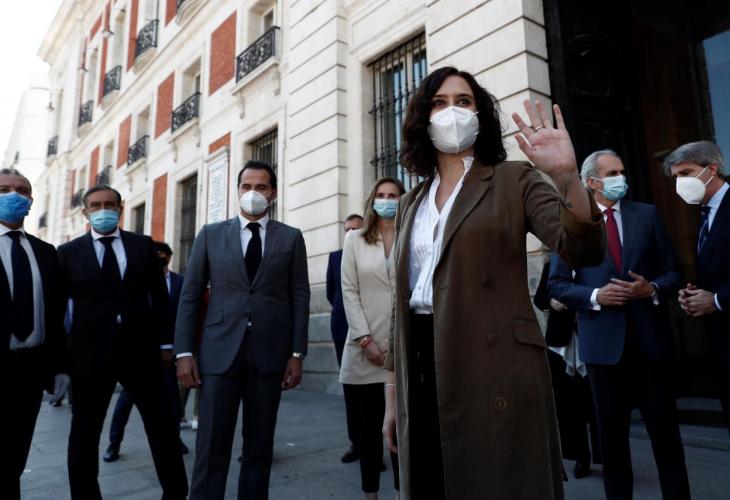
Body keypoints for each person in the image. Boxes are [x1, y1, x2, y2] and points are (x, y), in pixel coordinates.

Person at [382, 66, 605, 499]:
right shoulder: (411, 201)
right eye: (439, 103)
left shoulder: (513, 178)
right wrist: (392, 396)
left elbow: (581, 249)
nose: (452, 112)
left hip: (492, 364)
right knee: (432, 482)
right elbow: (400, 304)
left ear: (479, 115)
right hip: (420, 362)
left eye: (463, 101)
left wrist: (566, 178)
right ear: (423, 119)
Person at [549, 150, 690, 500]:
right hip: (603, 349)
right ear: (592, 182)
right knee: (612, 443)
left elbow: (673, 272)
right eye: (612, 173)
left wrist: (651, 288)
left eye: (622, 171)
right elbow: (557, 285)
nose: (621, 178)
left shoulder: (647, 215)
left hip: (650, 345)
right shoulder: (572, 223)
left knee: (667, 439)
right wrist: (596, 295)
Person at [176, 160, 310, 500]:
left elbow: (300, 296)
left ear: (273, 193)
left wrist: (297, 353)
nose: (253, 193)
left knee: (260, 446)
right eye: (246, 186)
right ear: (238, 191)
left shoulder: (291, 238)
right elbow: (190, 295)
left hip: (270, 354)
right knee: (211, 445)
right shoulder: (211, 234)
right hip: (219, 352)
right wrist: (184, 352)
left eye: (261, 187)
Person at [57, 185, 187, 500]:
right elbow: (58, 308)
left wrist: (166, 345)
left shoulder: (142, 245)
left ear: (120, 208)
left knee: (162, 427)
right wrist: (62, 358)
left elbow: (160, 298)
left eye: (109, 204)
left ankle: (176, 492)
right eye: (96, 205)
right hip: (90, 356)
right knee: (84, 434)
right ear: (85, 212)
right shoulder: (68, 252)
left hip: (141, 352)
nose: (103, 210)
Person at [0, 168, 67, 499]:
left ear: (31, 201)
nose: (14, 195)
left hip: (30, 370)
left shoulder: (46, 251)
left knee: (15, 454)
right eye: (4, 189)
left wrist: (59, 366)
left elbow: (55, 313)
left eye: (22, 190)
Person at [340, 178, 402, 500]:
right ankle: (370, 495)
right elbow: (349, 291)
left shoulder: (411, 235)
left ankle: (402, 492)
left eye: (393, 195)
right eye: (381, 195)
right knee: (368, 432)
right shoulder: (355, 239)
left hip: (402, 348)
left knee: (401, 431)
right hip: (364, 350)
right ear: (372, 199)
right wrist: (366, 339)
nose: (386, 200)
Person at [663, 140, 730, 435]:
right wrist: (695, 296)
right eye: (676, 177)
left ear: (711, 169)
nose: (680, 183)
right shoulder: (706, 214)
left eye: (686, 173)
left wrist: (716, 300)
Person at [103, 241, 188, 462]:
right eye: (155, 255)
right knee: (126, 401)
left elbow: (180, 316)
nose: (159, 259)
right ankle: (114, 443)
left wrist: (172, 347)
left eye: (162, 255)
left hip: (168, 353)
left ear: (169, 257)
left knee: (173, 400)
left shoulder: (179, 282)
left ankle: (175, 439)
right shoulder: (138, 281)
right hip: (140, 353)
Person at [534, 259, 600, 479]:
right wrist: (551, 301)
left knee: (596, 402)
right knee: (569, 404)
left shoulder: (595, 263)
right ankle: (581, 456)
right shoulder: (551, 265)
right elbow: (539, 298)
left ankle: (605, 456)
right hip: (561, 342)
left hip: (591, 337)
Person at [326, 213, 364, 463]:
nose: (350, 233)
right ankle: (356, 443)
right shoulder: (335, 257)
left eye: (355, 229)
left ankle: (374, 445)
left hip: (374, 328)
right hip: (342, 328)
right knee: (351, 389)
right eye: (347, 229)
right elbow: (331, 293)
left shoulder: (373, 253)